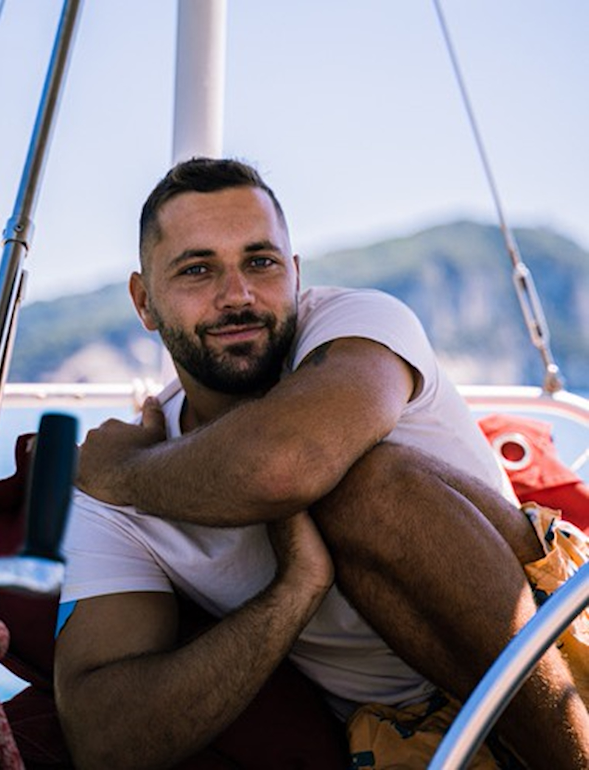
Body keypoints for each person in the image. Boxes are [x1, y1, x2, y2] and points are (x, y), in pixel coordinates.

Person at [54, 157, 589, 770]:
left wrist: (124, 475)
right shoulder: (109, 500)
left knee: (362, 484)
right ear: (145, 303)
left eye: (261, 262)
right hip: (405, 735)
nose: (238, 295)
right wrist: (292, 593)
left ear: (296, 274)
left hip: (558, 638)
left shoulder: (356, 325)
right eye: (198, 270)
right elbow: (104, 740)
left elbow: (284, 467)